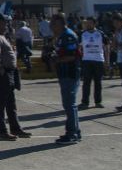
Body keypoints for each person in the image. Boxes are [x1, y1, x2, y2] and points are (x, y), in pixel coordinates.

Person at [0, 14, 29, 140]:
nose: (6, 25)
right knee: (1, 103)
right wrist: (1, 71)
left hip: (8, 72)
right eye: (3, 23)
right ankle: (1, 131)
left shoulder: (0, 35)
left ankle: (15, 129)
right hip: (1, 74)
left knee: (11, 103)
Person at [51, 13, 81, 145]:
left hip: (70, 73)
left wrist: (57, 59)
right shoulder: (60, 37)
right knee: (69, 104)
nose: (52, 26)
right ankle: (75, 131)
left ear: (62, 24)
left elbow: (73, 56)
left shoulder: (68, 36)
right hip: (64, 73)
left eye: (54, 24)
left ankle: (72, 133)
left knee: (70, 104)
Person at [79, 17, 106, 109]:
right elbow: (79, 47)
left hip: (98, 60)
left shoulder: (100, 34)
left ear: (95, 24)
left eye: (90, 23)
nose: (88, 25)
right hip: (87, 60)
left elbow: (106, 47)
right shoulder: (83, 34)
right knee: (86, 82)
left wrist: (107, 60)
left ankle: (98, 101)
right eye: (87, 23)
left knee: (98, 82)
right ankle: (85, 102)